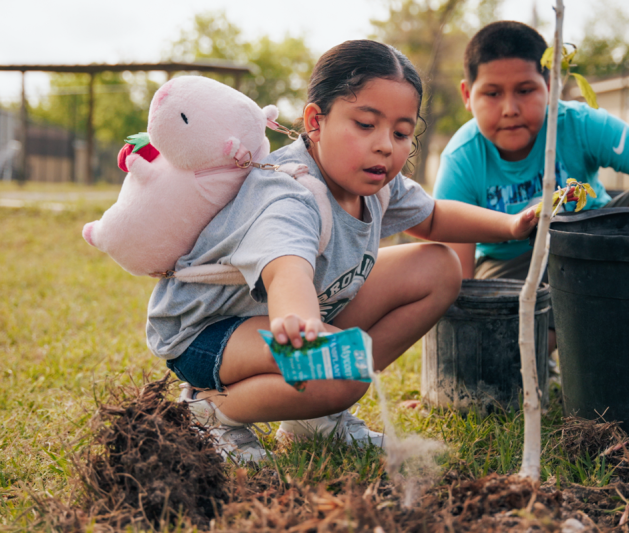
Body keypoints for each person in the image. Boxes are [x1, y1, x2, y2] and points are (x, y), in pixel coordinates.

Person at [147, 40, 539, 463]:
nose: (386, 145)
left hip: (287, 319)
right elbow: (287, 270)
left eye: (402, 132)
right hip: (206, 335)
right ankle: (209, 413)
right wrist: (300, 324)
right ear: (315, 122)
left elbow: (434, 218)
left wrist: (511, 224)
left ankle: (313, 417)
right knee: (344, 364)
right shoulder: (290, 194)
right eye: (366, 125)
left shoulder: (375, 183)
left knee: (438, 267)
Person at [432, 21, 629, 353]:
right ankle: (554, 338)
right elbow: (459, 280)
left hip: (595, 252)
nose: (510, 109)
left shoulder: (578, 124)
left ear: (550, 85)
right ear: (467, 95)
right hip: (512, 269)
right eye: (492, 93)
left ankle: (617, 319)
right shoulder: (463, 158)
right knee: (498, 337)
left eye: (525, 90)